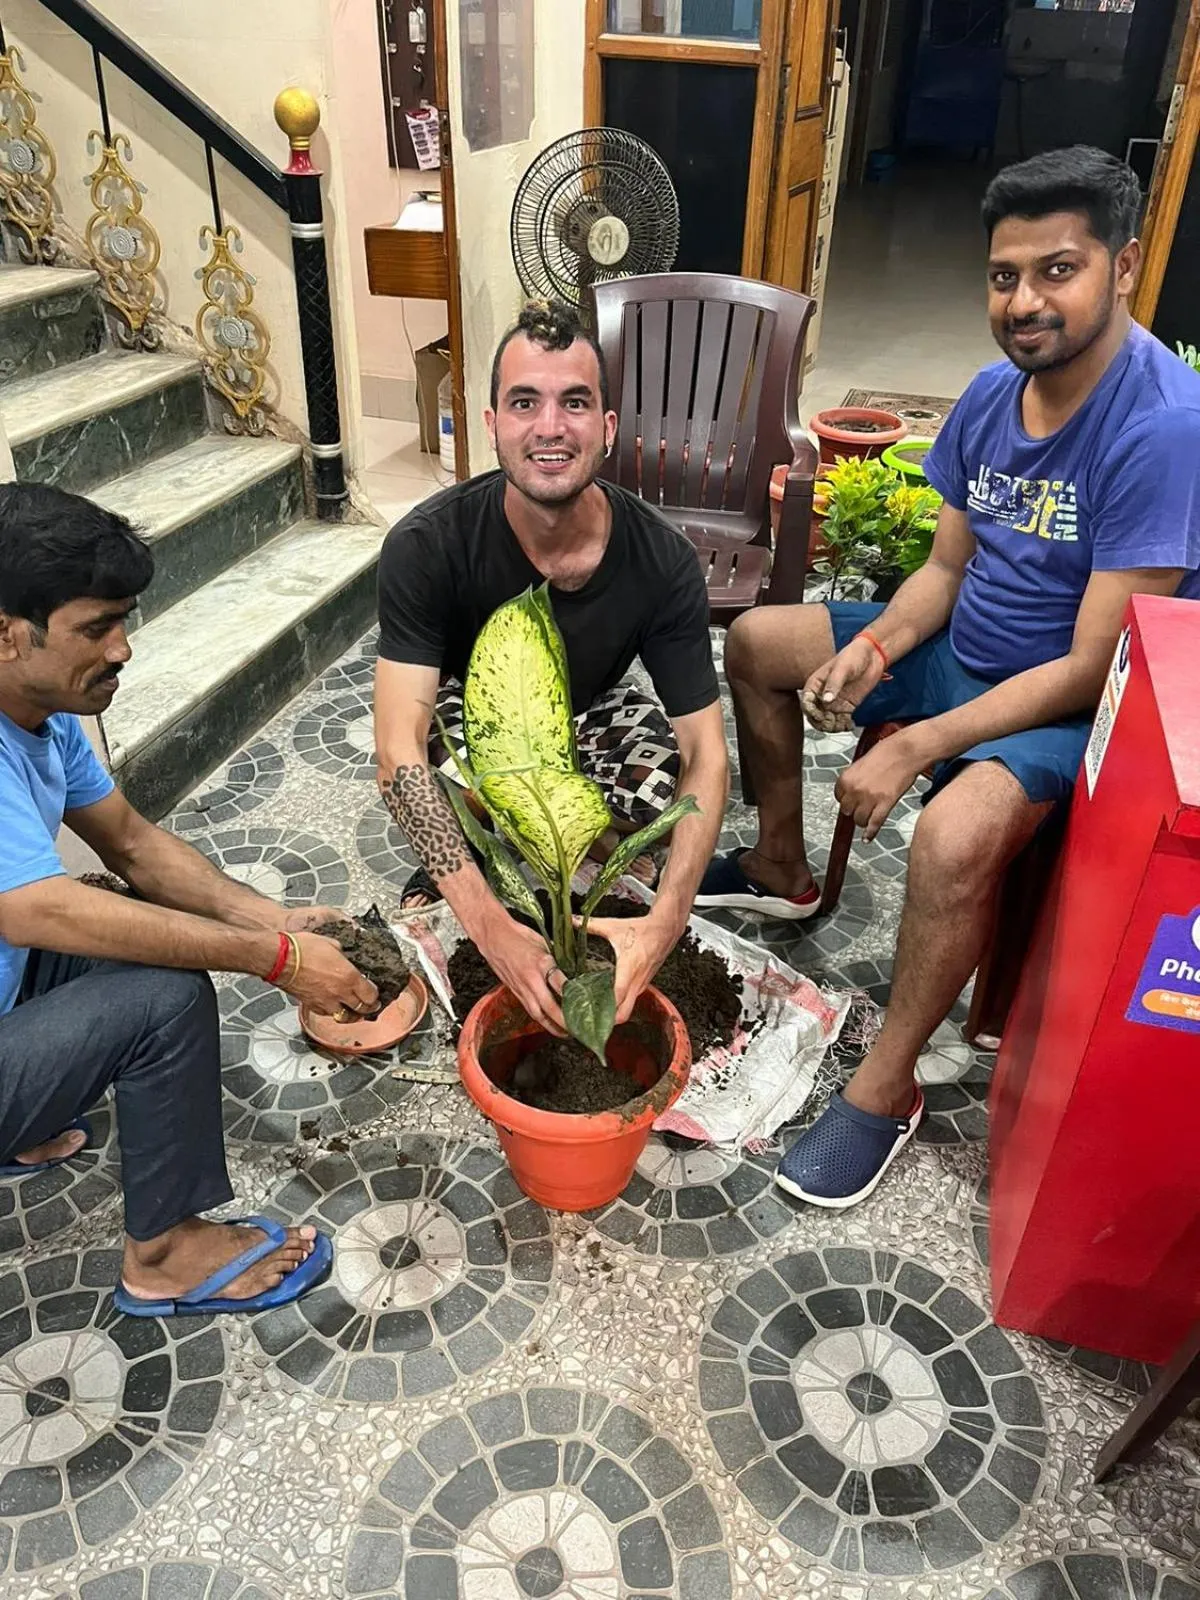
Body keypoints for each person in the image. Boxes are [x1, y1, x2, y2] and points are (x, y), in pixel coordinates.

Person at [697, 145, 1200, 1207]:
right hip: (960, 643)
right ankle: (783, 862)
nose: (1024, 302)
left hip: (1065, 703)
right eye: (1004, 275)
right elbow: (942, 569)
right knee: (756, 644)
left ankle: (886, 1089)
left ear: (1124, 264)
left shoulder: (1161, 426)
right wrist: (874, 649)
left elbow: (1092, 663)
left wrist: (924, 742)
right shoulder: (988, 394)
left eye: (1056, 270)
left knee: (950, 833)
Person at [0, 482, 379, 1314]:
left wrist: (269, 918)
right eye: (96, 627)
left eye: (123, 620)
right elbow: (37, 910)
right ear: (5, 635)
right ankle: (165, 1253)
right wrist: (275, 961)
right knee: (165, 998)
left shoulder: (39, 708)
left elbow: (131, 842)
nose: (124, 648)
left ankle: (21, 1121)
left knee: (112, 904)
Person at [374, 299, 729, 1034]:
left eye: (575, 402)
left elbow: (708, 755)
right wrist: (489, 930)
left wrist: (668, 918)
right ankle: (476, 840)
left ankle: (579, 856)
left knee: (667, 787)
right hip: (472, 721)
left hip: (587, 711)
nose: (549, 427)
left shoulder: (661, 559)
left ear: (606, 427)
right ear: (492, 423)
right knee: (425, 777)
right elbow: (395, 748)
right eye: (524, 402)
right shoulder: (427, 545)